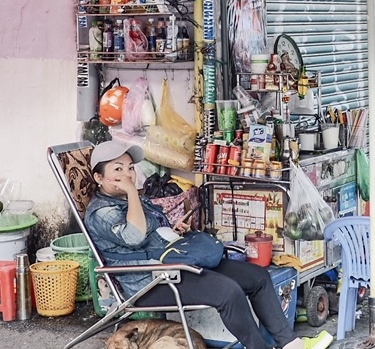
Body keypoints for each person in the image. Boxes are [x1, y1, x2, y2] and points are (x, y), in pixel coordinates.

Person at [83, 140, 333, 349]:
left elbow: (151, 226)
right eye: (117, 170)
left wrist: (169, 229)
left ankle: (291, 344)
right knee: (228, 293)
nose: (127, 175)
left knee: (256, 277)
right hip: (148, 281)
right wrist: (133, 193)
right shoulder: (102, 212)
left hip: (171, 262)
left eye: (129, 168)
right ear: (98, 177)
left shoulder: (128, 198)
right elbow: (135, 236)